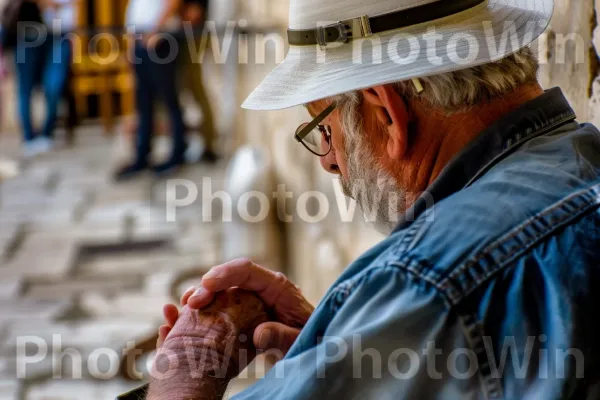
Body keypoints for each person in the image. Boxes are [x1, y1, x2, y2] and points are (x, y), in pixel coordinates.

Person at [118, 0, 600, 398]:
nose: (328, 163)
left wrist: (188, 366)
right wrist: (350, 342)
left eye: (323, 130)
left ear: (387, 114)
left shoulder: (424, 281)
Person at [115, 0, 187, 181]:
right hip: (141, 40)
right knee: (143, 101)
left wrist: (156, 30)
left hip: (158, 40)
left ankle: (177, 154)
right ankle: (142, 154)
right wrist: (132, 44)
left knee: (169, 99)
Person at [4, 0, 74, 156]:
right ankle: (29, 138)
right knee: (25, 89)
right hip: (27, 32)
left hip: (57, 34)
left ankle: (46, 134)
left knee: (53, 85)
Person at [179, 0, 219, 163]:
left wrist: (195, 10)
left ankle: (209, 143)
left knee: (196, 88)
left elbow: (195, 10)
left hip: (195, 28)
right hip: (189, 27)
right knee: (189, 87)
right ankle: (200, 140)